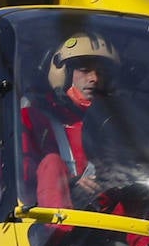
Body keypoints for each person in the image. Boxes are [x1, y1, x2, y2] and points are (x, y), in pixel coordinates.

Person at [20, 31, 119, 211]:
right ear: (63, 73)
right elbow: (21, 179)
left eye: (100, 72)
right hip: (47, 228)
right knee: (52, 164)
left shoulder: (112, 127)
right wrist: (71, 183)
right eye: (84, 69)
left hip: (105, 219)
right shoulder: (33, 118)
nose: (94, 79)